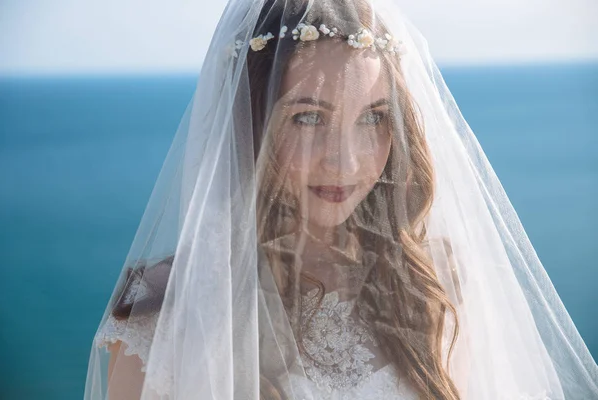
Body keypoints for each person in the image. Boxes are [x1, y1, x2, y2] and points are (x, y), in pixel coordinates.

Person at [84, 0, 598, 399]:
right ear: (247, 124)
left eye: (373, 117)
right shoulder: (163, 317)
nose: (346, 162)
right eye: (308, 117)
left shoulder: (430, 286)